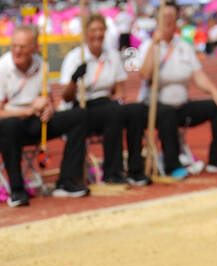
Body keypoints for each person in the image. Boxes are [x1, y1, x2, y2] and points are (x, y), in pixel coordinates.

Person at [130, 1, 217, 180]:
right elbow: (144, 74)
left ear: (176, 21)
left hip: (181, 105)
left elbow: (198, 75)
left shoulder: (184, 46)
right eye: (164, 17)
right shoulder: (146, 46)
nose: (168, 21)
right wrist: (154, 45)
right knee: (167, 114)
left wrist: (216, 93)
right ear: (157, 20)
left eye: (171, 18)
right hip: (155, 108)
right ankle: (172, 164)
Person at [0, 25, 90, 205]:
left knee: (79, 116)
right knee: (8, 125)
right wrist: (27, 110)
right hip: (10, 125)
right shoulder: (2, 67)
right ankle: (17, 190)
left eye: (23, 47)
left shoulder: (42, 65)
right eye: (14, 46)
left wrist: (48, 108)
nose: (17, 51)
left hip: (36, 123)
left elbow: (47, 99)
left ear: (34, 47)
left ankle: (67, 180)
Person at [58, 12, 130, 185]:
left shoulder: (112, 56)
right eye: (93, 30)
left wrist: (118, 103)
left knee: (117, 113)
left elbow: (120, 91)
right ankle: (72, 177)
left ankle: (113, 171)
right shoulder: (75, 57)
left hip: (105, 105)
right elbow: (66, 97)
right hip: (81, 106)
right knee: (108, 114)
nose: (97, 34)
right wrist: (75, 79)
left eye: (100, 30)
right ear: (85, 33)